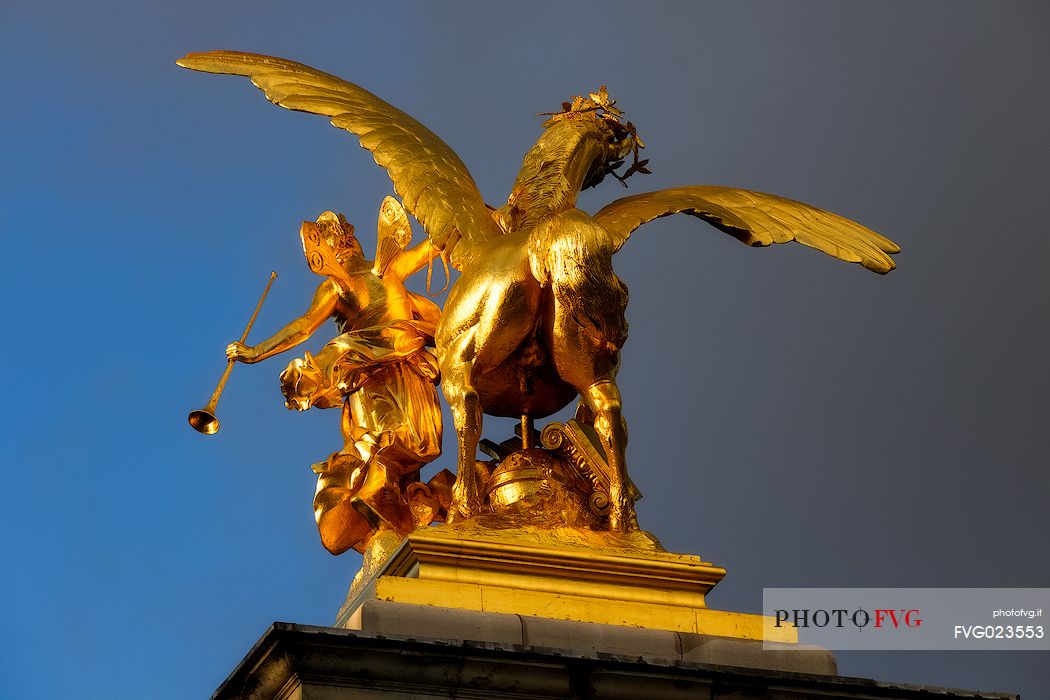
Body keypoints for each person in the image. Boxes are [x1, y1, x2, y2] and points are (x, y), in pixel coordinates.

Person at [226, 199, 444, 554]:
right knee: (390, 445)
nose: (351, 243)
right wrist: (256, 351)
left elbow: (432, 246)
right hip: (368, 375)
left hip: (408, 364)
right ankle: (376, 503)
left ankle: (393, 510)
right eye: (346, 238)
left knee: (421, 444)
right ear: (344, 243)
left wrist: (468, 223)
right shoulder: (337, 286)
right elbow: (304, 327)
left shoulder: (385, 269)